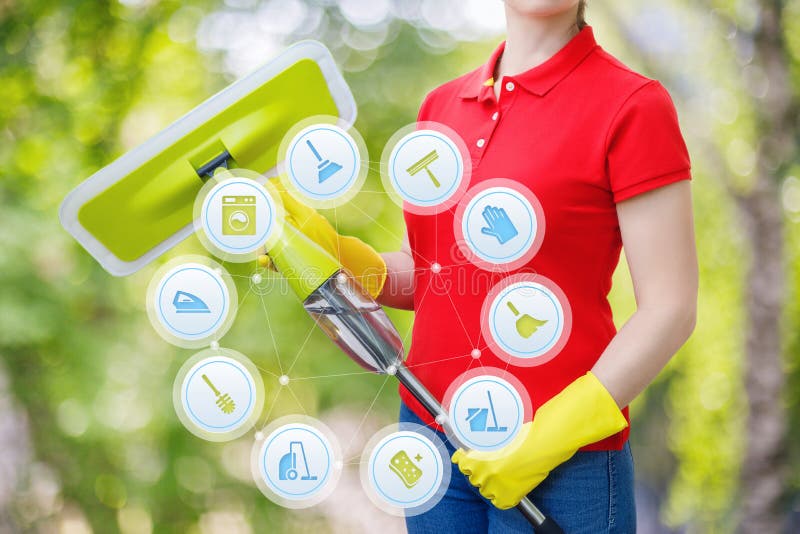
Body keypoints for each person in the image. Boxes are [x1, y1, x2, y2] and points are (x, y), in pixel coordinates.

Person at [268, 1, 698, 532]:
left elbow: (670, 308)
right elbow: (434, 277)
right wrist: (335, 251)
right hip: (433, 440)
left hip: (566, 462)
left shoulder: (632, 105)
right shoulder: (441, 108)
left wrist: (555, 435)